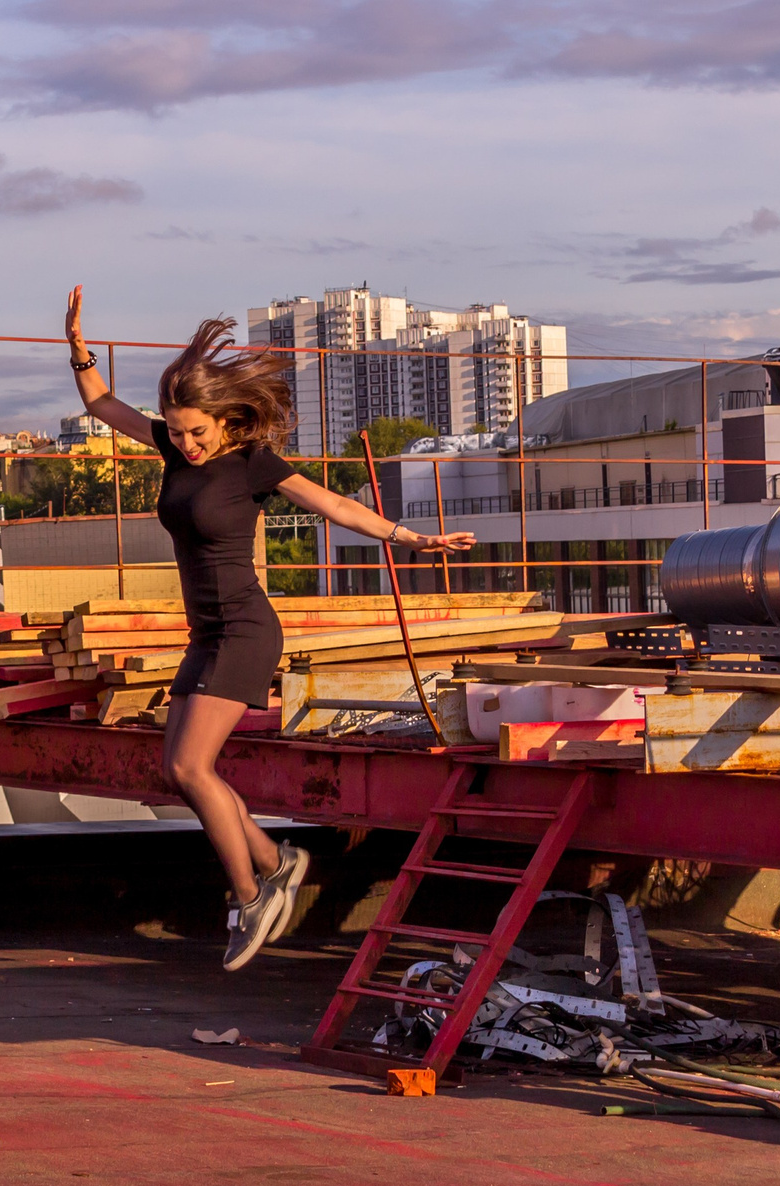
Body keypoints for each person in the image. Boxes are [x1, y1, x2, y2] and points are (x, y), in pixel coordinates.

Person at [66, 287, 476, 970]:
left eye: (199, 431)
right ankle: (276, 858)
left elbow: (335, 506)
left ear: (228, 420)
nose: (187, 443)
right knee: (176, 772)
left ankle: (253, 894)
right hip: (208, 633)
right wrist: (78, 348)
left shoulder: (253, 463)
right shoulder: (172, 448)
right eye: (178, 430)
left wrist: (409, 536)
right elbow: (102, 407)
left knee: (192, 766)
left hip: (247, 630)